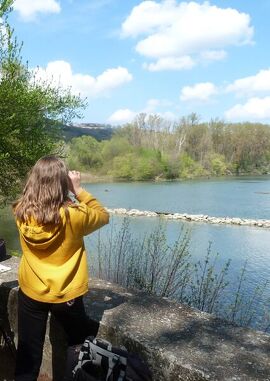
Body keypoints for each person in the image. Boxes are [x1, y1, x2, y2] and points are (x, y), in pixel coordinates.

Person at [13, 155, 109, 381]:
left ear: (34, 180)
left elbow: (38, 205)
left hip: (31, 292)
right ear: (62, 183)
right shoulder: (74, 216)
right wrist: (78, 189)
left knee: (28, 353)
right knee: (78, 346)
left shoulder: (20, 211)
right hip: (66, 295)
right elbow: (103, 216)